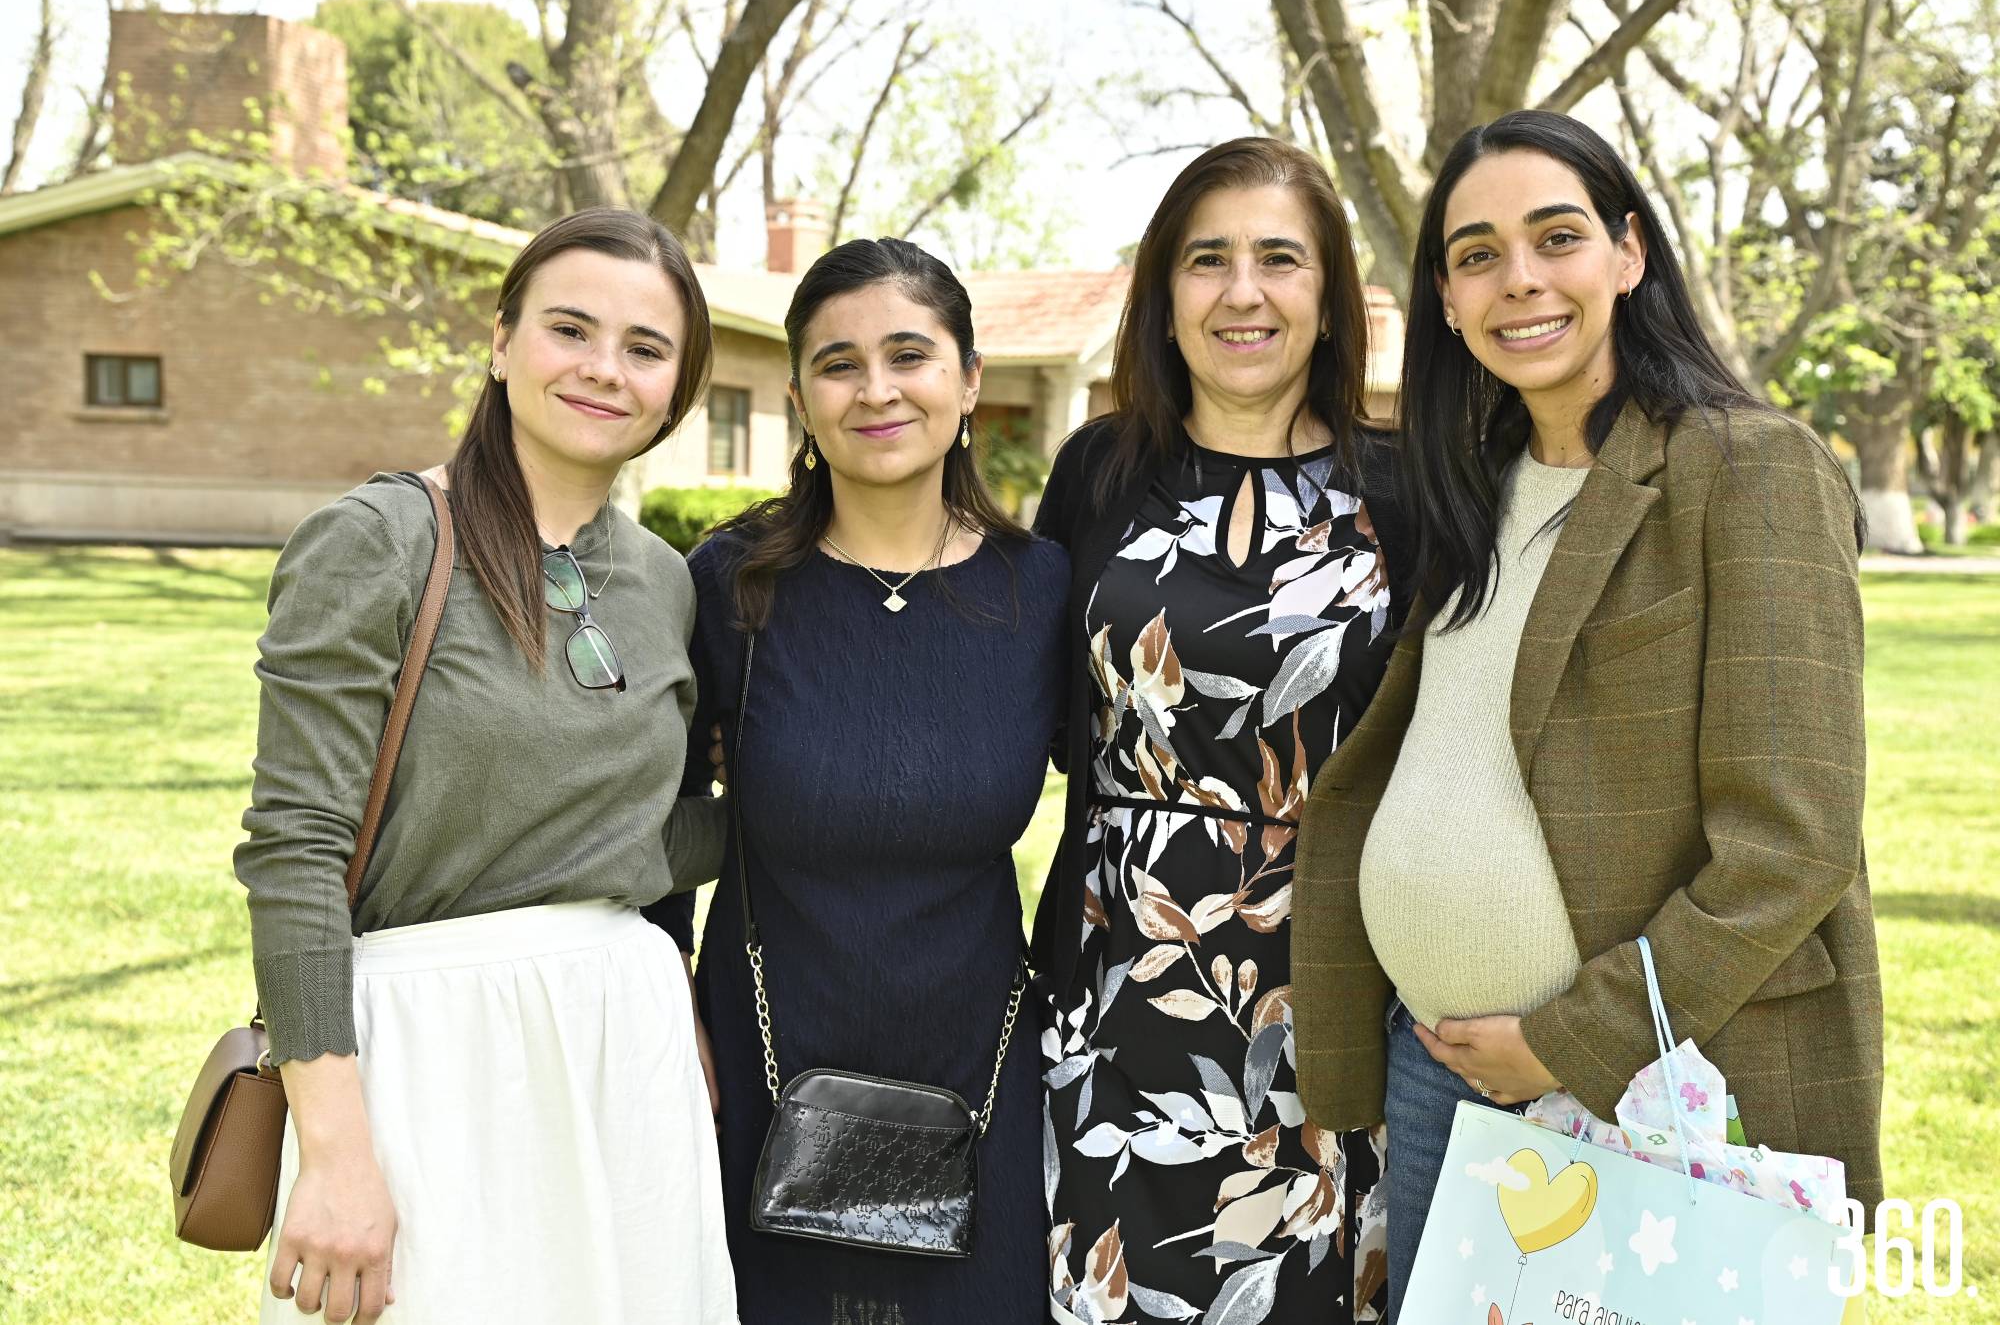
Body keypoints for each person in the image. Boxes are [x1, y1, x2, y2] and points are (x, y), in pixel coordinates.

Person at [1290, 109, 1882, 1318]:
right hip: (1435, 1066)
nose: (1518, 280)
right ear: (1446, 301)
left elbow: (1792, 840)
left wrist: (1572, 1037)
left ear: (1627, 252)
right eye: (1474, 254)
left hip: (1648, 1086)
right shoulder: (1474, 480)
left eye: (1553, 237)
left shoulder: (1745, 465)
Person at [238, 207, 736, 1325]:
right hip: (423, 1052)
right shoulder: (380, 539)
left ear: (676, 389)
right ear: (501, 340)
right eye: (570, 329)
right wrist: (334, 1149)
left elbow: (641, 836)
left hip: (625, 1044)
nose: (604, 369)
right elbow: (296, 850)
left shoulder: (666, 582)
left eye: (646, 348)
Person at [1036, 136, 1410, 1324]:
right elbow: (1047, 708)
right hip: (1112, 969)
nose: (1240, 291)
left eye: (1277, 259)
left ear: (1328, 296)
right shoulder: (1098, 470)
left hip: (1330, 977)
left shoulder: (1406, 490)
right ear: (1162, 293)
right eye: (1207, 259)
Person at [660, 237, 1066, 1324]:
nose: (875, 388)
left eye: (908, 354)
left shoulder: (1041, 589)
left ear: (969, 379)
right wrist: (664, 1006)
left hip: (978, 1063)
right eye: (838, 363)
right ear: (796, 396)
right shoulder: (728, 584)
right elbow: (658, 820)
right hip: (763, 1055)